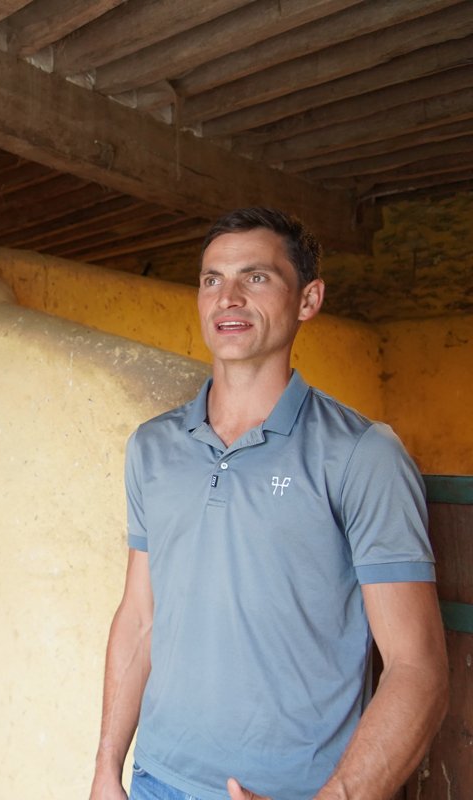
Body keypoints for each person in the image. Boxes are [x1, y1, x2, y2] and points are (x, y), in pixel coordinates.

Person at [89, 208, 449, 800]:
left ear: (308, 299)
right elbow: (140, 617)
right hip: (156, 780)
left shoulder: (361, 454)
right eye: (212, 279)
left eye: (255, 277)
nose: (227, 297)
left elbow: (418, 669)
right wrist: (107, 768)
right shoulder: (152, 448)